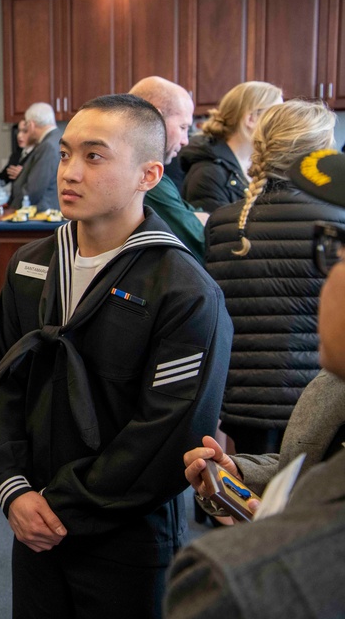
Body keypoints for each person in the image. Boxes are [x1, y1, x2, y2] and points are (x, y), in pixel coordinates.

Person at [0, 93, 232, 619]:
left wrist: (60, 507)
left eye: (94, 156)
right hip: (34, 520)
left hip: (126, 536)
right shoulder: (30, 265)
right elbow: (0, 380)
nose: (69, 171)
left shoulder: (184, 291)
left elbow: (166, 431)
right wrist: (13, 488)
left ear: (148, 175)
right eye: (66, 153)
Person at [165, 149, 345, 619]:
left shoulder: (237, 585)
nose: (328, 280)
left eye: (337, 253)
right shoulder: (331, 387)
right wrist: (241, 476)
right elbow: (310, 462)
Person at [204, 100, 345, 455]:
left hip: (242, 399)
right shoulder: (337, 219)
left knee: (252, 498)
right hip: (320, 400)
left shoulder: (224, 222)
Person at [130, 76, 207, 264]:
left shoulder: (148, 170)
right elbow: (201, 241)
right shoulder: (146, 177)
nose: (185, 140)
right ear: (154, 118)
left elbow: (190, 215)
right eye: (183, 127)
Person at [180, 81, 283, 212]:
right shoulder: (209, 174)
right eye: (276, 116)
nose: (282, 124)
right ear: (251, 119)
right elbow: (214, 230)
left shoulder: (260, 165)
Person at [0, 102, 61, 211]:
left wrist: (13, 210)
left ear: (32, 124)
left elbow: (34, 189)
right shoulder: (54, 140)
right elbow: (1, 180)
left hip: (41, 212)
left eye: (26, 128)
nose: (20, 135)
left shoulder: (47, 146)